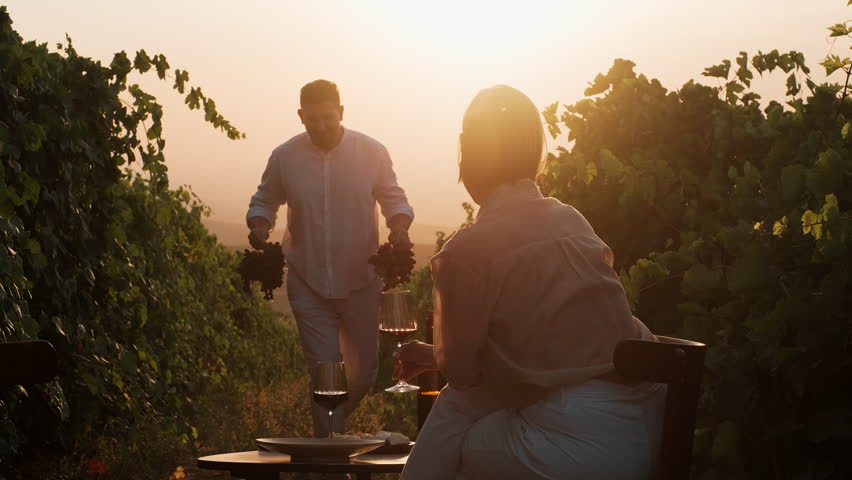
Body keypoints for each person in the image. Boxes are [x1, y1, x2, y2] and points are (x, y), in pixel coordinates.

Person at [394, 85, 665, 479]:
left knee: (460, 417)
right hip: (644, 430)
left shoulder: (466, 252)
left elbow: (464, 375)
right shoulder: (572, 222)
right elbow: (552, 340)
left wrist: (444, 355)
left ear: (466, 156)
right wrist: (435, 353)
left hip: (573, 447)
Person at [246, 79, 414, 437]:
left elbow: (394, 199)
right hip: (307, 283)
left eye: (328, 118)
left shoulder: (372, 152)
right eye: (312, 120)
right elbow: (265, 199)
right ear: (300, 116)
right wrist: (259, 225)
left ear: (341, 112)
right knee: (325, 373)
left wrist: (399, 227)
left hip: (362, 282)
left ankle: (326, 439)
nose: (320, 126)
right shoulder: (284, 157)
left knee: (364, 375)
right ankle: (331, 461)